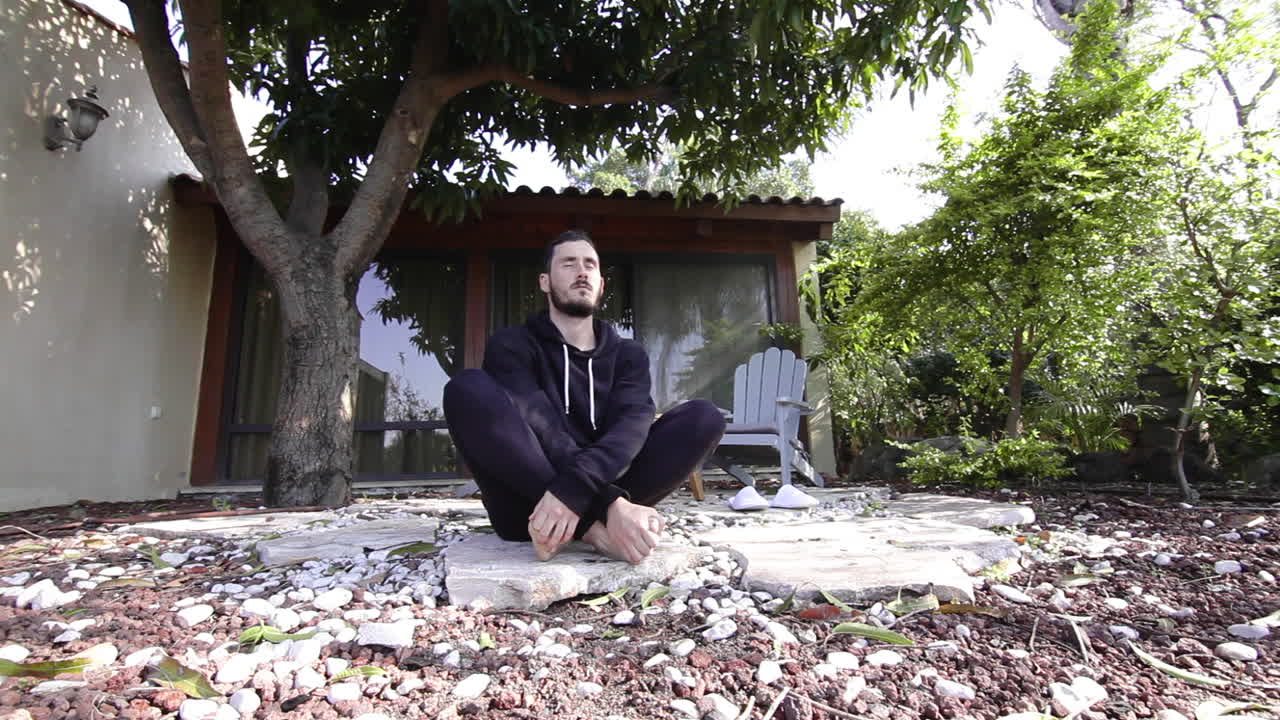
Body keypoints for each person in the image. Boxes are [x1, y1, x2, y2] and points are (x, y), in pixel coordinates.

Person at [443, 230, 726, 564]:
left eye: (590, 265)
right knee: (467, 389)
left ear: (601, 284)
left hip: (612, 484)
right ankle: (596, 530)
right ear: (545, 282)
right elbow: (542, 426)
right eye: (568, 263)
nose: (581, 272)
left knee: (704, 419)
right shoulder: (512, 344)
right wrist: (609, 506)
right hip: (526, 506)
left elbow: (629, 429)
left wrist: (585, 488)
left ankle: (588, 522)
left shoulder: (628, 355)